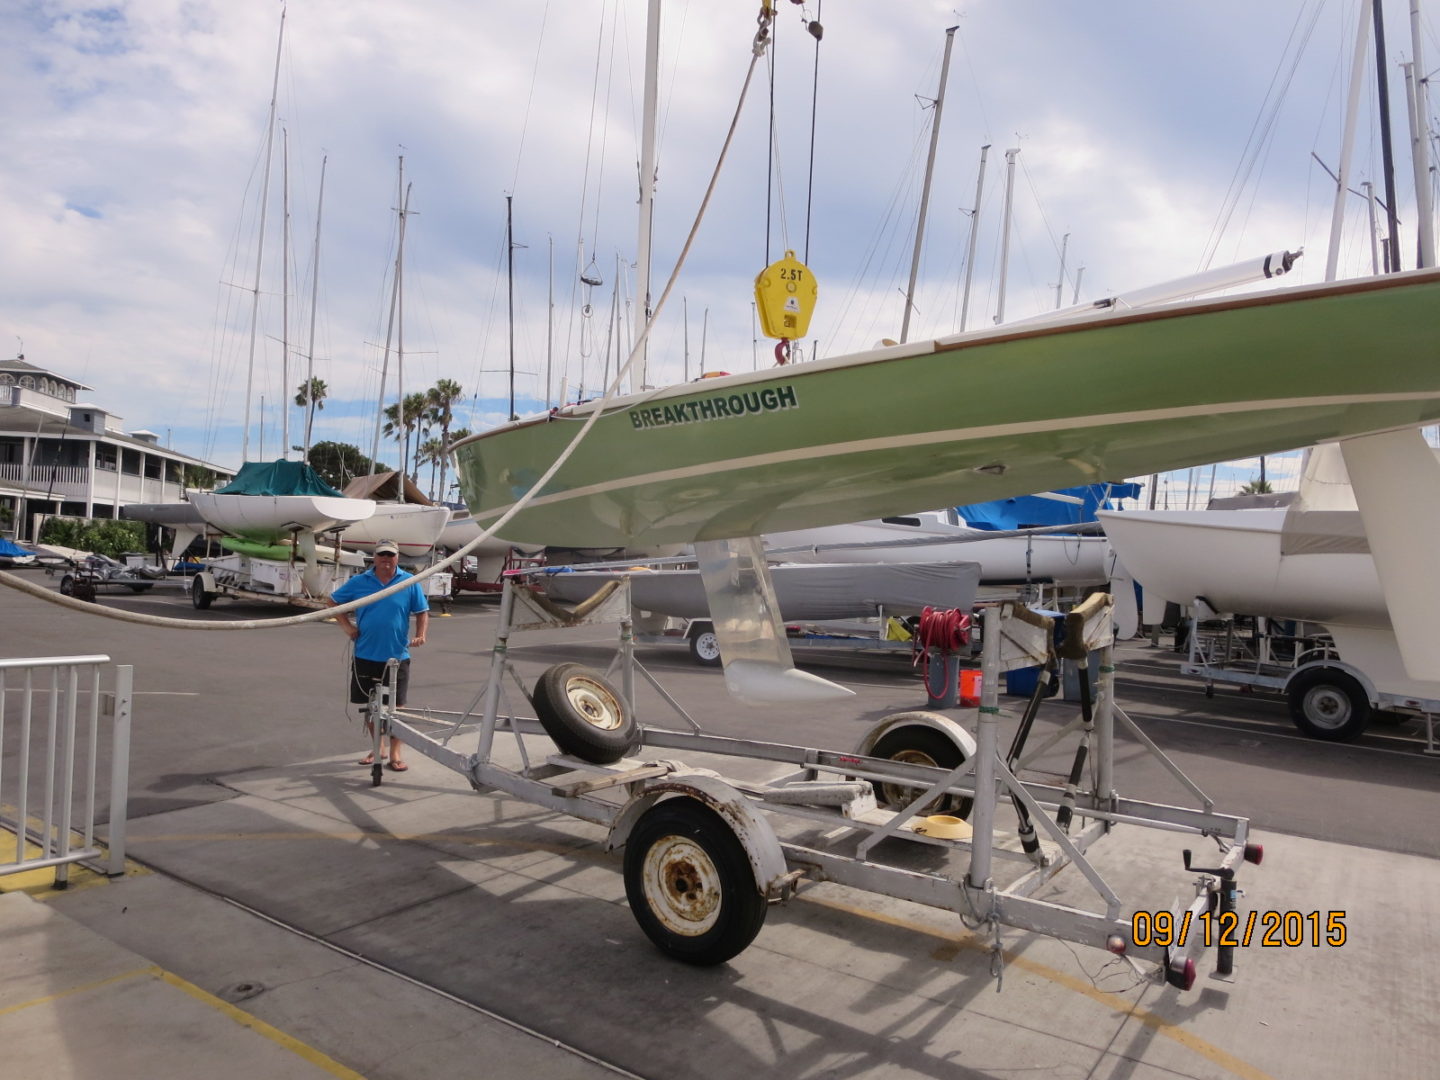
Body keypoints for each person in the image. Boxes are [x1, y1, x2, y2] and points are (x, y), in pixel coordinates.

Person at [327, 539, 429, 771]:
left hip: (396, 656)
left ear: (397, 557)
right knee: (371, 705)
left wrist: (421, 634)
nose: (386, 559)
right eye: (382, 555)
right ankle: (378, 747)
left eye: (390, 555)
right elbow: (332, 602)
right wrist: (347, 627)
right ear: (375, 557)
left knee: (397, 707)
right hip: (365, 654)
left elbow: (422, 611)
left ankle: (395, 752)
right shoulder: (360, 581)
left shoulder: (408, 582)